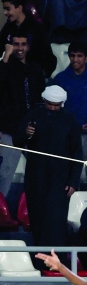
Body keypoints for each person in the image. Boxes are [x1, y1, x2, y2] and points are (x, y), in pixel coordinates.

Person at [15, 86, 82, 256]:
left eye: (56, 105)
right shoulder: (33, 115)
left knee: (55, 222)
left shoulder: (70, 120)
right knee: (37, 219)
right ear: (44, 101)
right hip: (35, 178)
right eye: (50, 104)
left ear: (62, 104)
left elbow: (77, 153)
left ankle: (57, 262)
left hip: (60, 181)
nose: (52, 108)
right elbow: (18, 141)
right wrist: (26, 133)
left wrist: (73, 181)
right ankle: (39, 261)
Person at [0, 33, 47, 198]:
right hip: (10, 130)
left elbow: (42, 96)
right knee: (4, 174)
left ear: (28, 46)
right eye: (16, 44)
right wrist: (5, 56)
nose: (20, 48)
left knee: (40, 173)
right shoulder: (5, 66)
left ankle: (35, 212)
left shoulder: (34, 69)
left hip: (32, 129)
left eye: (23, 44)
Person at [1, 0, 56, 76]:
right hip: (12, 77)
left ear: (19, 8)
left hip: (32, 76)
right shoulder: (8, 28)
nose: (5, 13)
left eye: (8, 9)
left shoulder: (37, 28)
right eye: (4, 9)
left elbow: (48, 58)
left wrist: (39, 76)